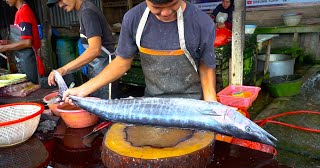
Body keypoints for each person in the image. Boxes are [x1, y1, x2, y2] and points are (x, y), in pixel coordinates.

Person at [62, 0, 217, 104]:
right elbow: (121, 63)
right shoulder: (133, 19)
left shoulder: (202, 22)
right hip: (152, 103)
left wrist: (212, 107)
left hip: (192, 104)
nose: (165, 13)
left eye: (173, 4)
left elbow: (206, 69)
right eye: (157, 8)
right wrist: (83, 90)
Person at [47, 0, 117, 99]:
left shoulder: (87, 12)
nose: (60, 5)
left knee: (105, 107)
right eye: (57, 3)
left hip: (105, 67)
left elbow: (95, 49)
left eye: (60, 0)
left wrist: (63, 69)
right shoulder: (83, 10)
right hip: (98, 67)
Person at [0, 0, 45, 84]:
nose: (6, 1)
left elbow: (28, 42)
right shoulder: (19, 12)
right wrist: (7, 42)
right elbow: (21, 39)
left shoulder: (24, 12)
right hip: (24, 61)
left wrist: (4, 48)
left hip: (31, 63)